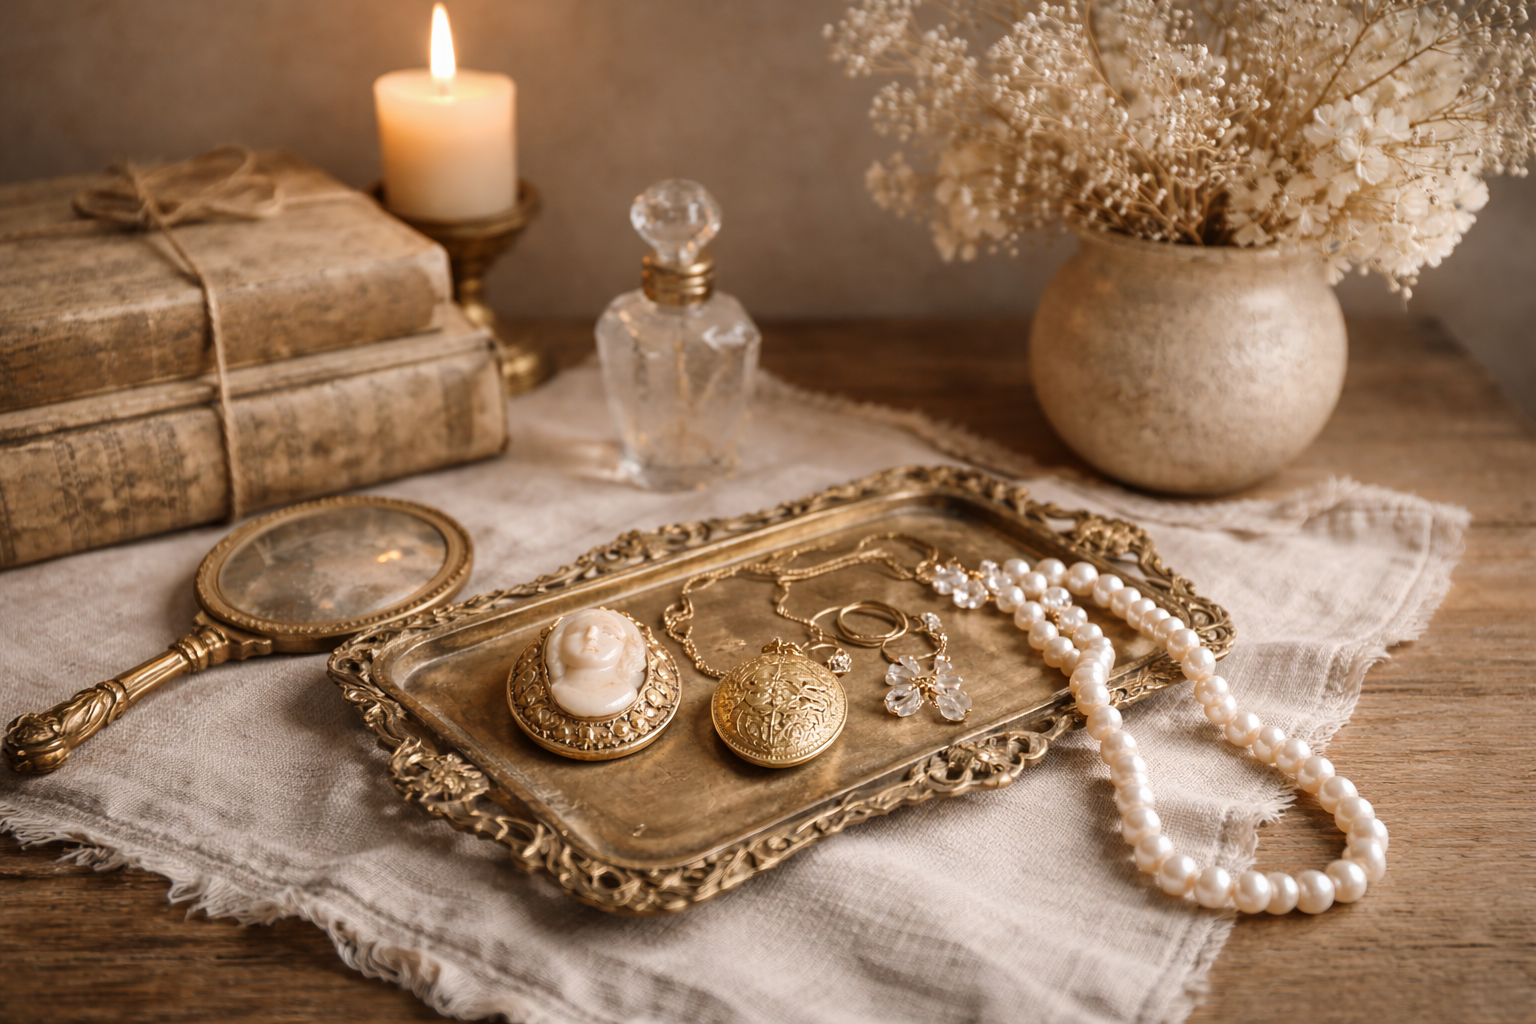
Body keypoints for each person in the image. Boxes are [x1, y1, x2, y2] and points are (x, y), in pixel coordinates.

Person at [544, 608, 647, 719]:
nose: (590, 636)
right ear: (558, 645)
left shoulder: (626, 694)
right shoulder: (555, 692)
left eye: (607, 633)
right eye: (578, 630)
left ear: (625, 648)